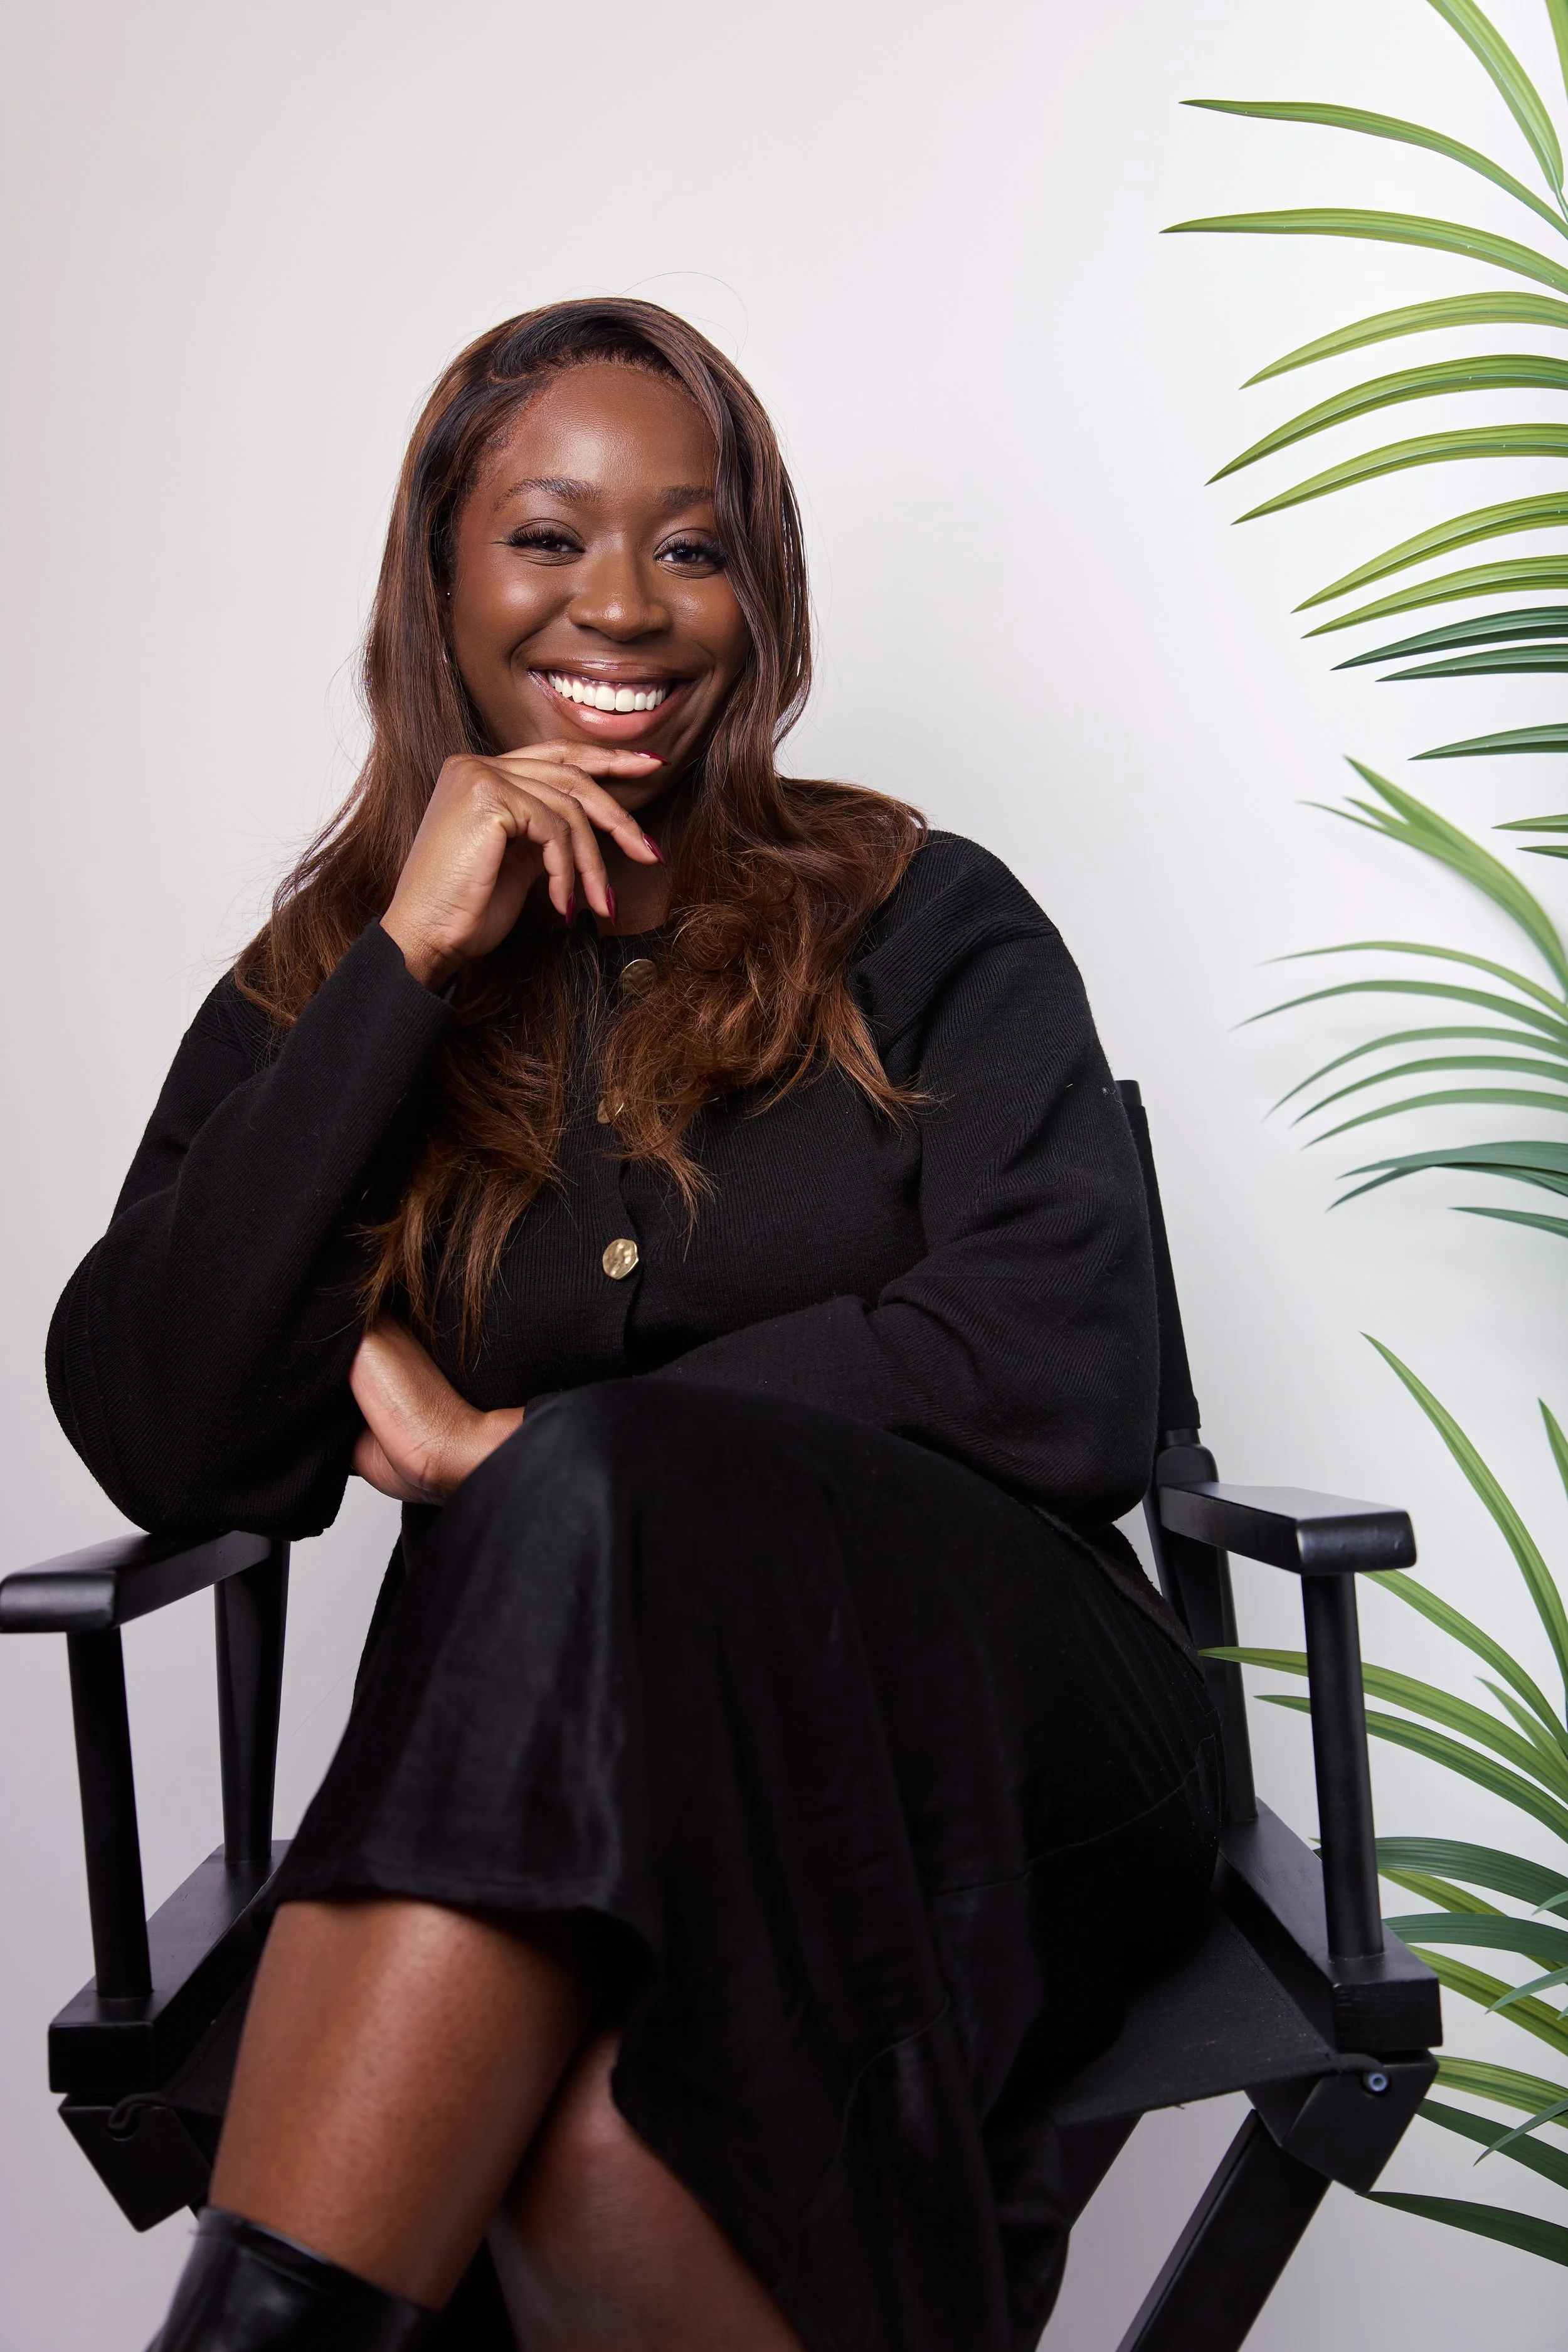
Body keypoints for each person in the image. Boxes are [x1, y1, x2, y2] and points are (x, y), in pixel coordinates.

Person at [48, 297, 1221, 2352]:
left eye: (689, 546)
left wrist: (543, 1458)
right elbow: (153, 1411)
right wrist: (406, 958)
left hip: (1003, 1737)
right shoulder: (341, 970)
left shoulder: (918, 916)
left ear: (757, 597)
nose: (626, 605)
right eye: (548, 536)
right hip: (578, 1791)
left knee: (589, 1480)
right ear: (437, 576)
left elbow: (1068, 1359)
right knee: (597, 2139)